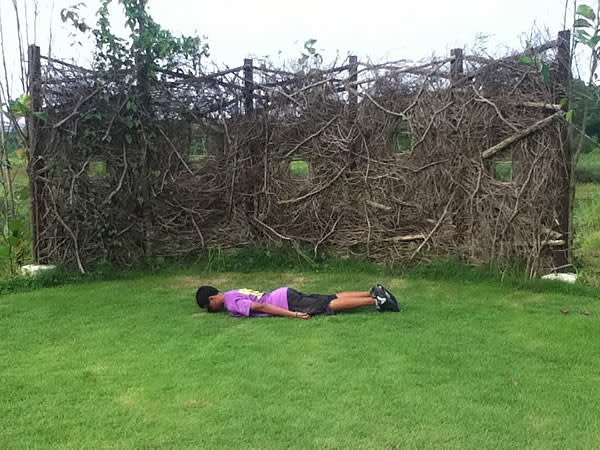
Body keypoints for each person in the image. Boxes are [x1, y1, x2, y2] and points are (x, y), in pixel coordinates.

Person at [195, 284, 399, 319]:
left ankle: (377, 301)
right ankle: (372, 292)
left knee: (326, 306)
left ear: (213, 299)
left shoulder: (231, 303)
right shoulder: (231, 293)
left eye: (209, 307)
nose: (211, 310)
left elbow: (262, 306)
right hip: (284, 293)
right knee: (329, 297)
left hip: (283, 302)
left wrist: (293, 314)